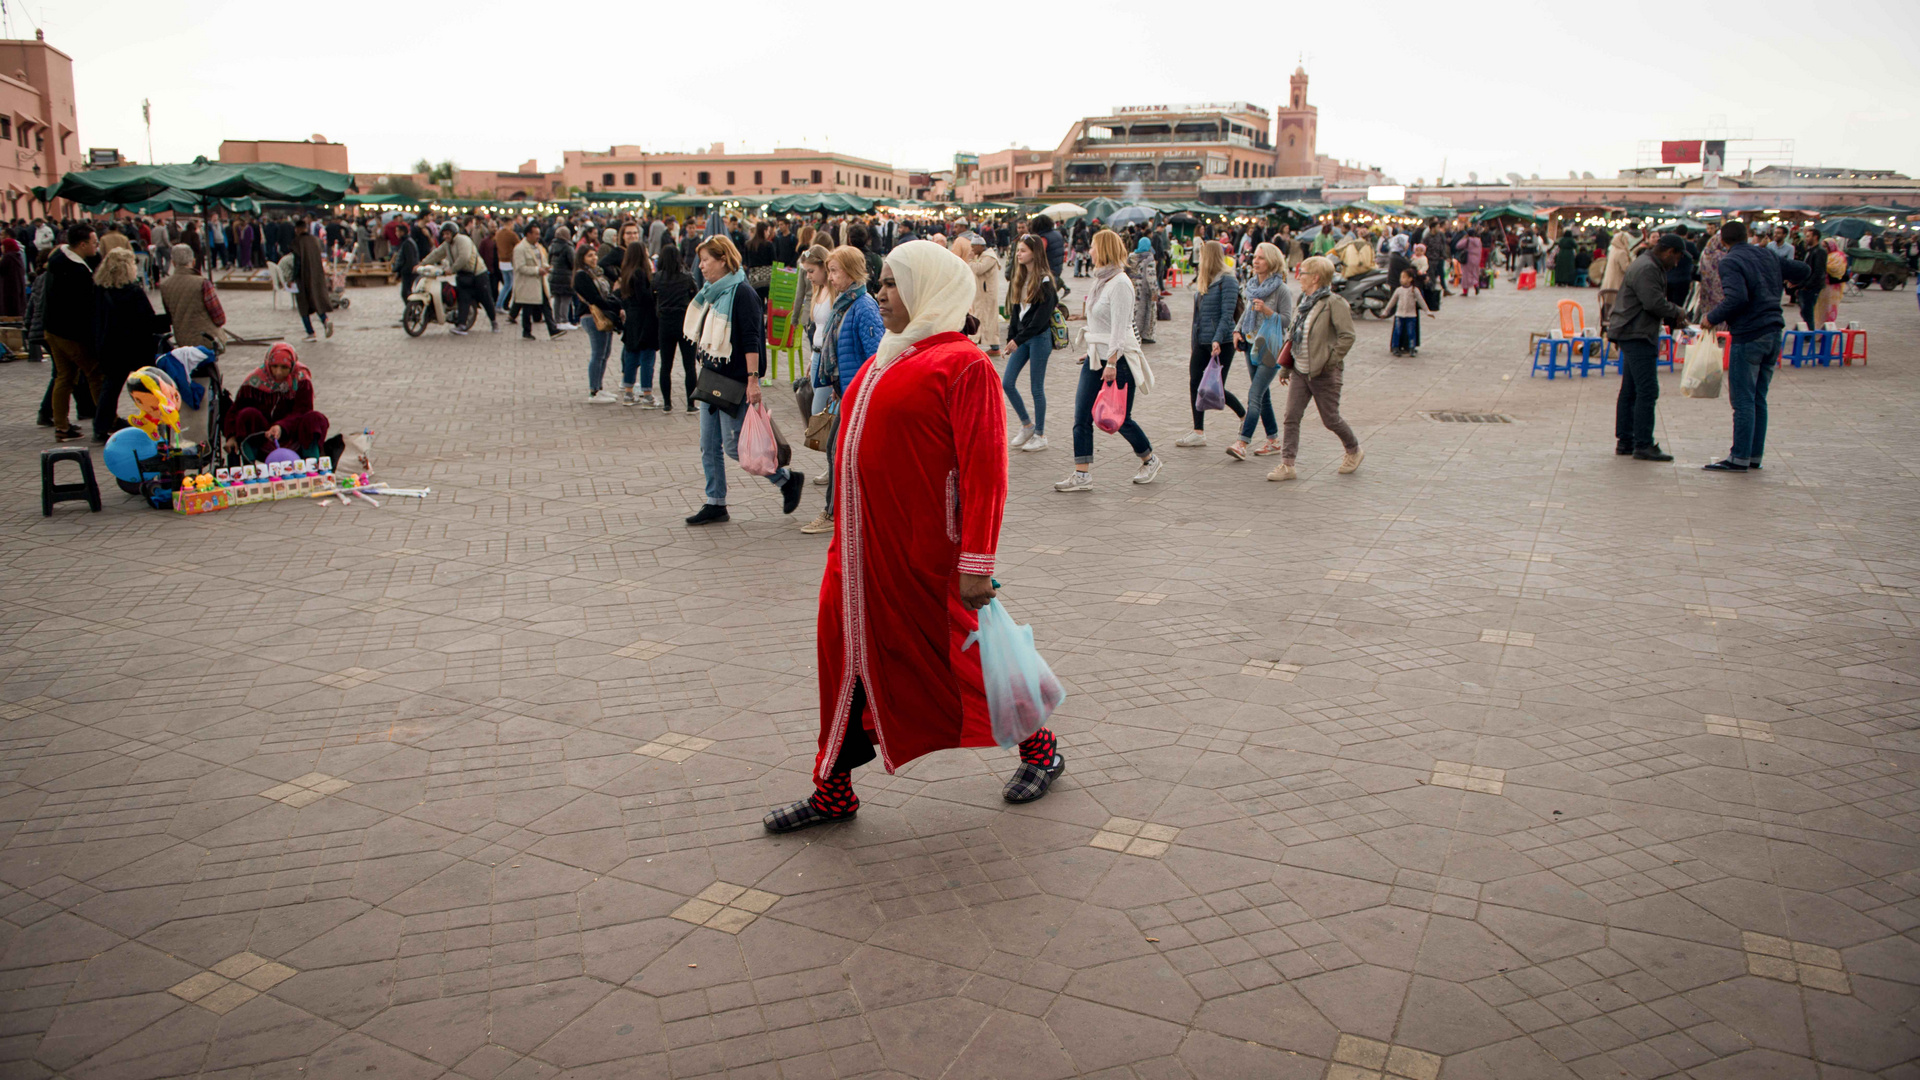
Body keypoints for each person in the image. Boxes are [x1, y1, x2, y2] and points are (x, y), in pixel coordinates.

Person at [763, 239, 1065, 834]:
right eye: (881, 282)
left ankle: (1040, 747)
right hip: (853, 556)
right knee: (841, 663)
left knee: (962, 665)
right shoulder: (888, 354)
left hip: (924, 558)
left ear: (927, 289)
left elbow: (987, 470)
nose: (881, 293)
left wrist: (977, 559)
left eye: (894, 283)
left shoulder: (964, 364)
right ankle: (833, 791)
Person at [682, 235, 806, 525]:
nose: (701, 266)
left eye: (706, 260)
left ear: (723, 259)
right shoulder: (713, 293)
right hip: (712, 375)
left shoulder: (742, 293)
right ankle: (716, 502)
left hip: (735, 381)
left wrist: (753, 381)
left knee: (734, 445)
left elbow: (752, 340)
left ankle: (786, 480)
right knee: (707, 444)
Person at [1056, 229, 1161, 492]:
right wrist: (1093, 347)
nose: (1088, 250)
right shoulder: (1101, 280)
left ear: (1102, 249)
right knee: (1082, 415)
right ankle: (1082, 475)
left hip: (1119, 360)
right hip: (1097, 357)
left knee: (1118, 418)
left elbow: (1120, 328)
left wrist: (1112, 362)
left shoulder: (1121, 283)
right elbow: (1100, 323)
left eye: (1092, 246)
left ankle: (1149, 459)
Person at [1701, 219, 1809, 473]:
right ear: (1747, 235)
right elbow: (1803, 270)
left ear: (1723, 241)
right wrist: (1794, 284)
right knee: (1758, 398)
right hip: (1773, 331)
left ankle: (1738, 457)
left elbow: (1737, 298)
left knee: (1743, 400)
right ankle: (1753, 456)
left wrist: (1711, 318)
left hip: (1749, 334)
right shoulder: (1766, 254)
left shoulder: (1730, 261)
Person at [802, 245, 885, 536]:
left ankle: (835, 514)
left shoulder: (863, 305)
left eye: (835, 270)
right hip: (846, 392)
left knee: (839, 451)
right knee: (835, 451)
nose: (831, 276)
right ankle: (845, 511)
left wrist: (860, 391)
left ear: (850, 271)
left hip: (858, 395)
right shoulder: (845, 303)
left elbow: (876, 356)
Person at [1266, 256, 1362, 482]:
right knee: (1291, 416)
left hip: (1325, 373)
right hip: (1301, 370)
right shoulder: (1304, 301)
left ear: (1316, 277)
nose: (1299, 277)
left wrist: (1330, 360)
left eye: (1304, 273)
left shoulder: (1333, 303)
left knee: (1330, 419)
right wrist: (1286, 368)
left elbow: (1347, 336)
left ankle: (1353, 449)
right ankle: (1287, 464)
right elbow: (1294, 337)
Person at [1606, 234, 1692, 462]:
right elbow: (1652, 302)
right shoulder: (1648, 268)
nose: (1677, 263)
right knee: (1647, 390)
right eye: (1677, 257)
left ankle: (1626, 441)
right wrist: (1677, 311)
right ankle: (1642, 443)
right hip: (1636, 332)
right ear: (1669, 251)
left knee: (1631, 389)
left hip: (1633, 330)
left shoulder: (1648, 264)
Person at [91, 247, 164, 443]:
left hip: (109, 346)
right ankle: (152, 421)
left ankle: (101, 426)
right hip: (135, 346)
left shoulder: (100, 289)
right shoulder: (133, 292)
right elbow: (147, 320)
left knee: (111, 387)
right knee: (147, 386)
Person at [1226, 242, 1292, 459]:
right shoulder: (1252, 285)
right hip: (1250, 343)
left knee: (1254, 394)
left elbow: (1287, 321)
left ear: (1272, 261)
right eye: (1254, 257)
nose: (1255, 261)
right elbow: (1246, 313)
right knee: (1262, 395)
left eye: (1261, 258)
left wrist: (1267, 310)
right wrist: (1237, 331)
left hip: (1271, 348)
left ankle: (1241, 442)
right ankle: (1273, 440)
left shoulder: (1281, 289)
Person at [1175, 240, 1244, 448]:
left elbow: (1227, 314)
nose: (1199, 259)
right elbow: (1199, 316)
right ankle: (1198, 431)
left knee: (1215, 388)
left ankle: (1244, 416)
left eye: (1202, 255)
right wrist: (1195, 341)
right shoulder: (1205, 281)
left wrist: (1217, 338)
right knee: (1196, 383)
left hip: (1221, 342)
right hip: (1202, 341)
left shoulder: (1228, 281)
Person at [222, 343, 337, 460]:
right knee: (247, 414)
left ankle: (312, 464)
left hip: (293, 435)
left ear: (292, 366)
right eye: (274, 366)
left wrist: (281, 427)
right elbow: (235, 410)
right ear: (268, 364)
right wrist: (231, 436)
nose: (278, 372)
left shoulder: (301, 379)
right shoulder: (254, 381)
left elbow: (302, 410)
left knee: (314, 418)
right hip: (264, 438)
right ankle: (250, 466)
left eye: (284, 367)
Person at [44, 224, 101, 442]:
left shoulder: (59, 257)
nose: (97, 246)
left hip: (53, 329)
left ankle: (61, 426)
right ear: (82, 244)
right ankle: (106, 419)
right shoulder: (75, 270)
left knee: (64, 377)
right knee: (95, 373)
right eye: (94, 243)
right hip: (69, 333)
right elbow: (82, 309)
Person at [1003, 235, 1057, 454]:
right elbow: (1016, 313)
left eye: (1023, 250)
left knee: (1036, 388)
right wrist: (1011, 337)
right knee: (1007, 382)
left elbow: (1040, 320)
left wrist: (1018, 340)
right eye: (1018, 250)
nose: (1019, 254)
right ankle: (1027, 425)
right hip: (1023, 338)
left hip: (1039, 338)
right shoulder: (1021, 277)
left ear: (1034, 253)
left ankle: (1040, 434)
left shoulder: (1045, 281)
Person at [420, 223, 496, 335]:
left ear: (453, 233)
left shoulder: (463, 240)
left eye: (447, 234)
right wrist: (422, 263)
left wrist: (452, 269)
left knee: (485, 298)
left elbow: (463, 257)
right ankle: (462, 325)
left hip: (478, 274)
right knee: (463, 299)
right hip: (463, 275)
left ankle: (494, 322)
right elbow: (437, 254)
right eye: (444, 234)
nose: (445, 236)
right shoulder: (447, 244)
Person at [573, 244, 623, 404]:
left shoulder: (595, 273)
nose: (594, 258)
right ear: (582, 259)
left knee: (604, 353)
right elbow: (595, 298)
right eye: (589, 256)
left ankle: (599, 387)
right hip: (592, 317)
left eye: (594, 255)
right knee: (598, 354)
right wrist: (612, 307)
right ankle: (594, 391)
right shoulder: (582, 275)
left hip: (602, 316)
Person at [653, 245, 697, 412]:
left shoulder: (656, 278)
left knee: (666, 365)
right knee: (689, 365)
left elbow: (652, 297)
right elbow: (695, 297)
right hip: (684, 323)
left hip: (664, 323)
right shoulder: (686, 278)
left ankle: (667, 403)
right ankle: (691, 404)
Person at [615, 241, 658, 407]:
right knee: (647, 356)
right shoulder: (640, 273)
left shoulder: (626, 272)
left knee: (631, 355)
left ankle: (628, 392)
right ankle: (647, 394)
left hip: (631, 317)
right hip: (644, 318)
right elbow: (645, 297)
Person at [510, 224, 566, 340]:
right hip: (527, 284)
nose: (538, 237)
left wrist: (546, 267)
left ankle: (553, 330)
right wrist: (537, 270)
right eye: (535, 234)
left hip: (540, 283)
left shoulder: (538, 247)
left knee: (546, 306)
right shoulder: (520, 248)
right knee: (527, 308)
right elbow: (520, 267)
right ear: (528, 234)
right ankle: (526, 331)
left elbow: (542, 261)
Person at [956, 236, 1004, 355]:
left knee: (987, 318)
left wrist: (971, 260)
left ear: (980, 246)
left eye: (973, 247)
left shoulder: (989, 257)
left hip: (987, 295)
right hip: (982, 295)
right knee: (981, 317)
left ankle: (991, 346)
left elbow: (978, 269)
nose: (972, 250)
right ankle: (986, 344)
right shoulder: (982, 256)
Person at [291, 222, 336, 341]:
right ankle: (325, 321)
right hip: (316, 275)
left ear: (299, 229)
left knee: (303, 305)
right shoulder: (315, 240)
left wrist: (293, 277)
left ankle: (310, 332)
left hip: (303, 277)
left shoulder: (298, 242)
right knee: (316, 300)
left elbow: (297, 262)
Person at [1385, 268, 1434, 358]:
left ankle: (1412, 348)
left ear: (1410, 279)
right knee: (1397, 331)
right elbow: (1392, 301)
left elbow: (1421, 301)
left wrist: (1427, 311)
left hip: (1411, 315)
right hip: (1399, 314)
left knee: (1411, 332)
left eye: (1404, 277)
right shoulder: (1399, 290)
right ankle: (1395, 347)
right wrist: (1386, 311)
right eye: (1401, 277)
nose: (1401, 279)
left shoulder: (1414, 290)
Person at [1598, 231, 1632, 331]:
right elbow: (1626, 268)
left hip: (1608, 283)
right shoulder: (1622, 252)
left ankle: (1604, 330)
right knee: (1614, 308)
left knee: (1607, 308)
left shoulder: (1613, 250)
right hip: (1617, 284)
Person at [1128, 237, 1158, 344]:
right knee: (1147, 312)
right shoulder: (1149, 258)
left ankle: (1132, 332)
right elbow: (1151, 277)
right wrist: (1154, 291)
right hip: (1144, 290)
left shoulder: (1131, 257)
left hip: (1132, 287)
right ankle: (1145, 334)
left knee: (1133, 311)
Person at [548, 225, 578, 328]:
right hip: (566, 276)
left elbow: (549, 260)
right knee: (566, 299)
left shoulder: (552, 246)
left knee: (557, 298)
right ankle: (564, 320)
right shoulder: (568, 247)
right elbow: (573, 262)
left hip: (554, 275)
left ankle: (557, 320)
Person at [493, 220, 519, 312]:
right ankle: (505, 305)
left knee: (507, 284)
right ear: (510, 223)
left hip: (501, 261)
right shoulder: (511, 234)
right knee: (510, 284)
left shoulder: (498, 234)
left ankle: (499, 304)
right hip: (510, 262)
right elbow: (519, 245)